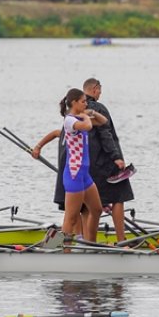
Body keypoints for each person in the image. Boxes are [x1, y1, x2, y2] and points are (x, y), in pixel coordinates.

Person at [50, 88, 107, 241]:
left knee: (96, 210)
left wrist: (92, 113)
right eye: (83, 101)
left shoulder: (81, 117)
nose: (86, 103)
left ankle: (91, 244)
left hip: (85, 175)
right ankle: (66, 251)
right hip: (74, 175)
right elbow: (88, 127)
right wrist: (84, 116)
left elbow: (103, 121)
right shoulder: (69, 120)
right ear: (74, 103)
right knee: (71, 218)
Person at [83, 78, 134, 242]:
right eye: (100, 90)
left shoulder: (76, 109)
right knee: (119, 196)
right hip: (105, 162)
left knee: (87, 204)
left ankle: (86, 240)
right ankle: (121, 239)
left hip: (85, 164)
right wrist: (117, 157)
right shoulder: (98, 108)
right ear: (95, 89)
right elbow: (106, 134)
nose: (101, 93)